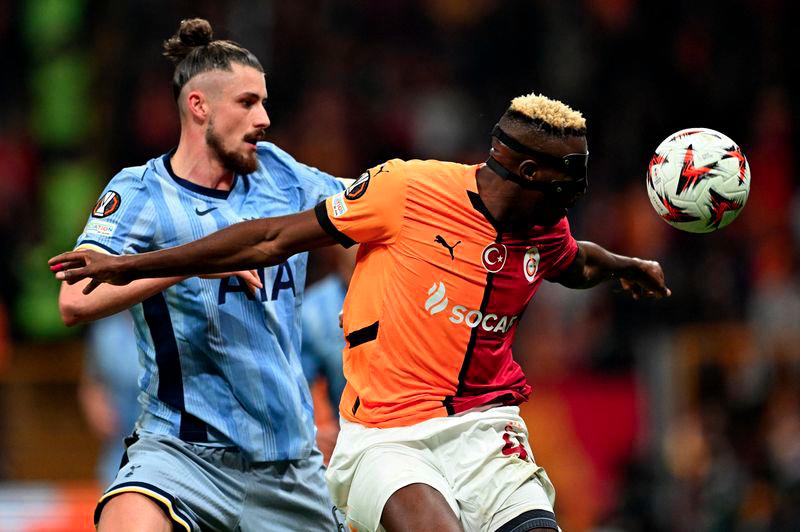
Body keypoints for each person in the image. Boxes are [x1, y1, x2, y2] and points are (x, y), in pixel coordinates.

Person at [51, 93, 671, 532]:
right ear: (529, 172)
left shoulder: (543, 226)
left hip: (487, 432)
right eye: (570, 183)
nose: (576, 198)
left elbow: (573, 261)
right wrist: (136, 264)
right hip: (388, 439)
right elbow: (270, 237)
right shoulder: (408, 190)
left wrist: (623, 266)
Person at [56, 18, 345, 531]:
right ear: (199, 107)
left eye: (264, 101)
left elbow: (375, 203)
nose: (264, 118)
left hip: (288, 466)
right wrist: (198, 260)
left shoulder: (284, 176)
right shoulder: (140, 193)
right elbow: (74, 300)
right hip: (181, 454)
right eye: (248, 103)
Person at [301, 246, 357, 462]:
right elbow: (304, 385)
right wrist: (318, 430)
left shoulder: (413, 296)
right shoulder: (311, 310)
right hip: (349, 440)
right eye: (353, 240)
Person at [78, 312, 141, 486]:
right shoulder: (106, 327)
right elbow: (92, 381)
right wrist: (95, 406)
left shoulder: (171, 321)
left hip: (164, 443)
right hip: (118, 442)